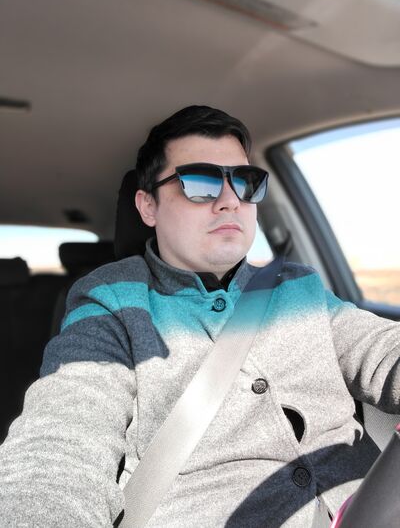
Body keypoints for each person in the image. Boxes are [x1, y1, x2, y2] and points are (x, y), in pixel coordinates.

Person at [0, 105, 399, 528]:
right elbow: (62, 442)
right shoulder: (113, 303)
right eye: (200, 182)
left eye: (245, 182)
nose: (230, 201)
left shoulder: (299, 287)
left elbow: (382, 350)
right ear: (148, 206)